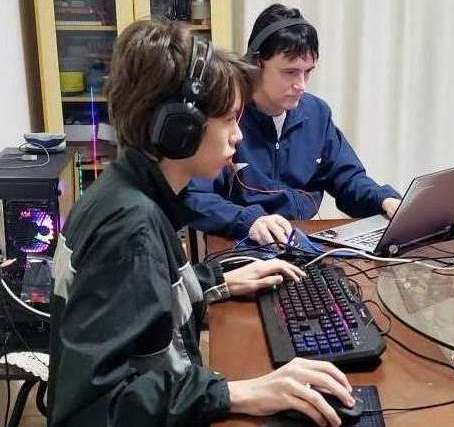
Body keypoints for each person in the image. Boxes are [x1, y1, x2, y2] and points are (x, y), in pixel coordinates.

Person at [47, 20, 354, 427]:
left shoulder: (125, 191)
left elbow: (146, 294)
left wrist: (216, 280)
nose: (238, 136)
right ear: (180, 130)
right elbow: (92, 410)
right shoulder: (131, 231)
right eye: (228, 120)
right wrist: (238, 392)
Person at [185, 3, 402, 245]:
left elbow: (348, 179)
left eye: (307, 72)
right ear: (257, 63)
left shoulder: (316, 113)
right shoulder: (224, 116)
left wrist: (384, 200)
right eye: (290, 72)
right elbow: (194, 197)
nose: (301, 85)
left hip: (300, 241)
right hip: (242, 240)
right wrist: (248, 220)